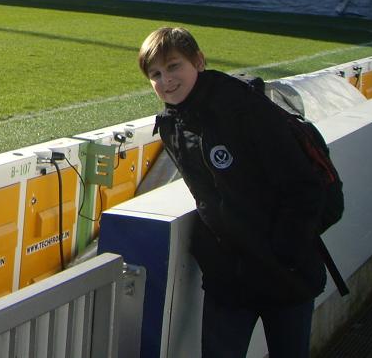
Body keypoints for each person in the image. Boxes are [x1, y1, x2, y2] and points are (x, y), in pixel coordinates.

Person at [140, 27, 327, 358]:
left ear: (199, 61)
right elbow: (208, 198)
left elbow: (304, 187)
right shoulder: (172, 125)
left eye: (173, 66)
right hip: (230, 281)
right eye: (155, 74)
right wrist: (215, 258)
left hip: (286, 274)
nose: (165, 80)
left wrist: (283, 253)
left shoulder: (245, 108)